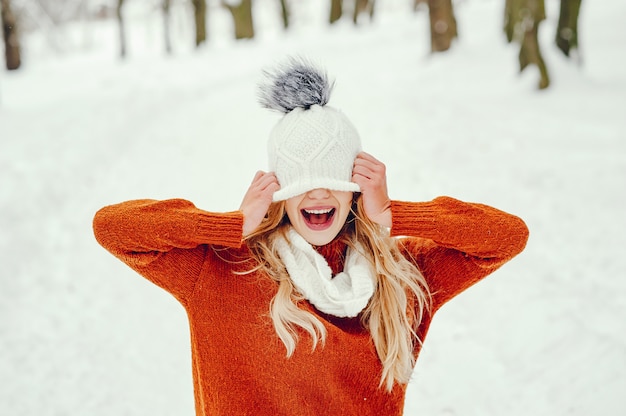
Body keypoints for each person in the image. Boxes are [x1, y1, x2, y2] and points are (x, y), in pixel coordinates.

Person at [93, 58, 529, 416]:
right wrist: (228, 226)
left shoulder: (400, 275)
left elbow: (507, 235)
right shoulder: (223, 268)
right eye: (302, 180)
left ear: (355, 185)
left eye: (332, 177)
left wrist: (396, 215)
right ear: (280, 190)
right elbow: (113, 227)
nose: (318, 192)